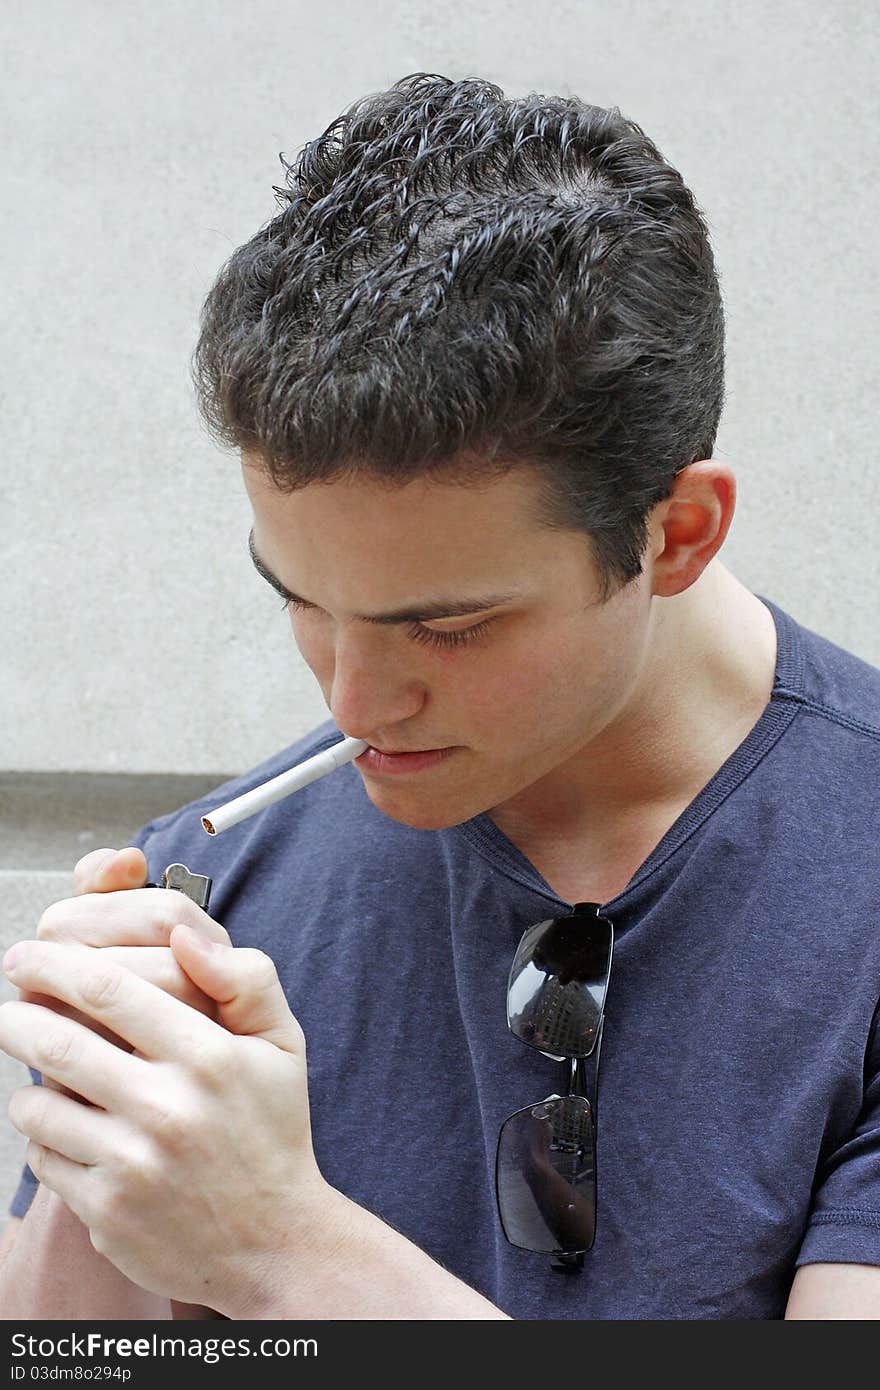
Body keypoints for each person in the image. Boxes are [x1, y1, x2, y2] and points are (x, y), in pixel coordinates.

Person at [1, 71, 879, 1321]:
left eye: (447, 626)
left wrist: (287, 1254)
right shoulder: (221, 887)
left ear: (676, 532)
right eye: (299, 597)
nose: (357, 698)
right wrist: (107, 1146)